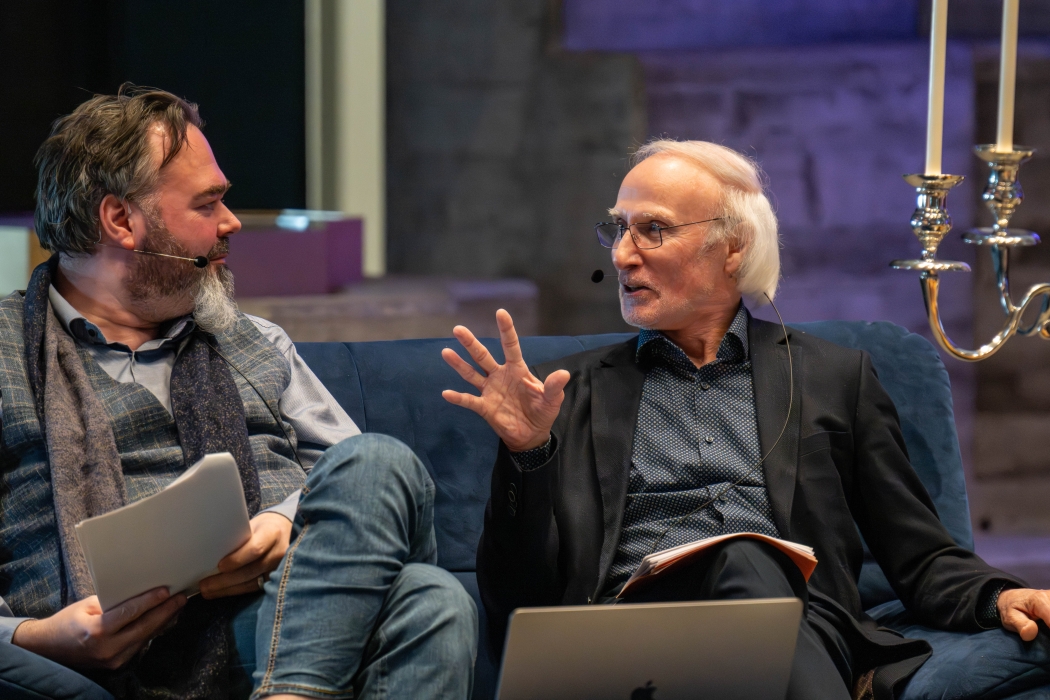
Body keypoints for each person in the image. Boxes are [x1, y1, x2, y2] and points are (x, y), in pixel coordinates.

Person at [442, 139, 1050, 699]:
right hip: (627, 644)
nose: (623, 255)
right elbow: (515, 600)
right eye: (618, 228)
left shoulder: (834, 379)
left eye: (653, 229)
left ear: (733, 246)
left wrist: (1000, 596)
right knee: (744, 560)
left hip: (802, 630)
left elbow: (920, 553)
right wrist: (527, 454)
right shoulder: (562, 394)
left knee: (748, 563)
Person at [0, 85, 477, 700]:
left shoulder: (256, 342)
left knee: (381, 461)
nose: (231, 223)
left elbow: (368, 488)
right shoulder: (8, 353)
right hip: (128, 651)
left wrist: (284, 521)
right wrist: (33, 636)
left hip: (281, 612)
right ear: (120, 220)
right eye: (208, 204)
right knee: (433, 602)